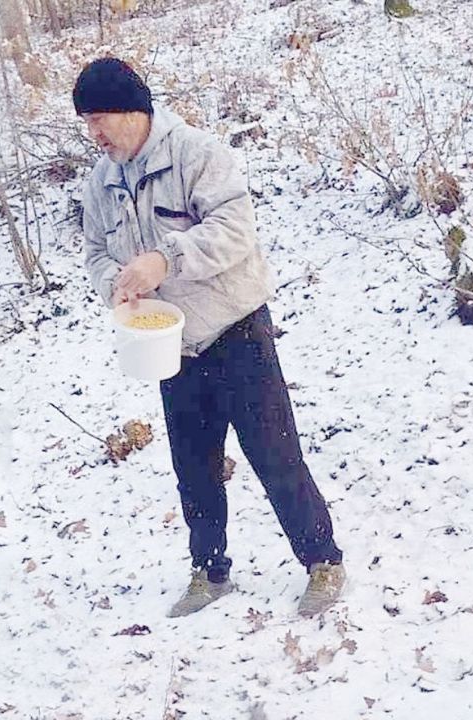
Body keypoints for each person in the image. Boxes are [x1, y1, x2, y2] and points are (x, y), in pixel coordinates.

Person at [74, 57, 346, 616]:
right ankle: (209, 570)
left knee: (275, 455)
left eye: (100, 118)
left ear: (134, 111)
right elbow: (96, 253)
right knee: (193, 466)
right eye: (86, 122)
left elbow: (234, 232)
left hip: (235, 330)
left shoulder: (198, 154)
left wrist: (163, 261)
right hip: (170, 343)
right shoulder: (101, 182)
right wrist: (116, 285)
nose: (93, 133)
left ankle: (323, 560)